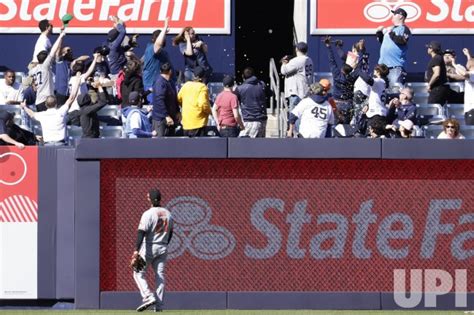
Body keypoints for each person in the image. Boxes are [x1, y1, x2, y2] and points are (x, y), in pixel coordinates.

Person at [131, 188, 173, 312]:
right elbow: (170, 233)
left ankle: (148, 297)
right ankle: (159, 306)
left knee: (138, 273)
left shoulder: (148, 213)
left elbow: (141, 233)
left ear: (150, 199)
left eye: (148, 196)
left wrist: (136, 251)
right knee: (160, 275)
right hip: (163, 246)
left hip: (149, 246)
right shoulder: (168, 213)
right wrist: (164, 244)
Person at [20, 73, 81, 145]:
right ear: (56, 104)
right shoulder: (61, 111)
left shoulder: (42, 115)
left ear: (45, 105)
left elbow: (31, 114)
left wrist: (24, 106)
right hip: (61, 144)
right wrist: (77, 81)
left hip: (47, 145)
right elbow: (72, 97)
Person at [323, 36, 361, 124]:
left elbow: (331, 61)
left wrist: (328, 46)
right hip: (348, 104)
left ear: (342, 70)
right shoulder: (352, 77)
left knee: (335, 127)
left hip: (336, 103)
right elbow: (358, 68)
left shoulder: (337, 75)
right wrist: (359, 54)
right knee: (346, 128)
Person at [29, 30, 66, 111]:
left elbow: (31, 82)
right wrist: (60, 36)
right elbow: (53, 50)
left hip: (38, 102)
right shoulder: (45, 66)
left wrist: (33, 85)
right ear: (46, 60)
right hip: (47, 101)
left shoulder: (32, 70)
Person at [376, 8, 411, 89]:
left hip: (395, 67)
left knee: (395, 91)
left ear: (401, 16)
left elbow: (402, 41)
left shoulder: (404, 29)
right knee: (380, 91)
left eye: (395, 14)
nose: (393, 16)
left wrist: (391, 33)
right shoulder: (391, 28)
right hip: (382, 67)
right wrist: (379, 33)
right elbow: (384, 43)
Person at [143, 18, 173, 103]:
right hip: (151, 84)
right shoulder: (151, 48)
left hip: (163, 84)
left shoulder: (164, 52)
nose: (164, 39)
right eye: (162, 37)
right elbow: (158, 44)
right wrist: (165, 27)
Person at [235, 67, 270, 138]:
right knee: (259, 146)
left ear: (243, 76)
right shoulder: (262, 85)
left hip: (248, 119)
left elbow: (234, 101)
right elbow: (270, 94)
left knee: (243, 145)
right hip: (262, 119)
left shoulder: (240, 88)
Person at [177, 66, 211, 137]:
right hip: (198, 123)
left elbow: (178, 99)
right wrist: (209, 112)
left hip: (186, 123)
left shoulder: (186, 85)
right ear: (202, 77)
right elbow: (203, 103)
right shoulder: (202, 87)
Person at [280, 42, 313, 113]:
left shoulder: (296, 60)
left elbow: (284, 71)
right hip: (305, 91)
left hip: (297, 93)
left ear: (296, 49)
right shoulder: (309, 59)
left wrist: (284, 63)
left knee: (294, 115)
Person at [356, 64, 389, 135]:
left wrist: (357, 70)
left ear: (378, 72)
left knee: (374, 137)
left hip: (376, 115)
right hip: (378, 114)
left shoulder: (379, 81)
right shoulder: (384, 83)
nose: (373, 72)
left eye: (375, 70)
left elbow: (368, 80)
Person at [152, 62, 180, 137]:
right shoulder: (160, 82)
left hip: (171, 118)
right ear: (170, 71)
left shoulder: (170, 82)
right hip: (161, 119)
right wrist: (166, 116)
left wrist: (177, 111)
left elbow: (174, 98)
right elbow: (159, 100)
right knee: (160, 144)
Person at [425, 41, 449, 105]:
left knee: (431, 108)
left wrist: (429, 84)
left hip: (437, 89)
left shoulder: (436, 58)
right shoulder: (438, 58)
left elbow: (436, 74)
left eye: (429, 48)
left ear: (432, 49)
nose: (427, 49)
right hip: (439, 88)